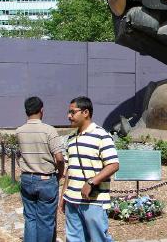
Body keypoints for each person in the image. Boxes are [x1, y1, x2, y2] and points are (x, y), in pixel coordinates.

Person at [58, 96, 119, 242]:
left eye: (72, 112)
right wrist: (63, 196)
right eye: (69, 112)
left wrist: (91, 182)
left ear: (85, 112)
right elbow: (70, 171)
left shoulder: (102, 135)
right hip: (72, 201)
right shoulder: (71, 139)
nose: (69, 116)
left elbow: (113, 164)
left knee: (98, 239)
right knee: (73, 239)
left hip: (94, 202)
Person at [16, 96, 65, 242]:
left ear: (26, 111)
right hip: (46, 178)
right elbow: (60, 158)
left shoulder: (19, 131)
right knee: (45, 220)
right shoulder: (49, 131)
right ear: (41, 110)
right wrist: (60, 174)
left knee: (30, 218)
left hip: (26, 178)